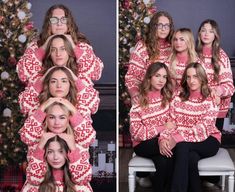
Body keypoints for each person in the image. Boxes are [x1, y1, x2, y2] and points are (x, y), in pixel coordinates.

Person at [159, 63, 221, 192]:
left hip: (209, 140)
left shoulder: (210, 99)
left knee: (182, 146)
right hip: (184, 141)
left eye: (196, 77)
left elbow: (203, 128)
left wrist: (177, 137)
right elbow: (170, 122)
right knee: (191, 158)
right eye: (188, 77)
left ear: (202, 78)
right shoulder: (178, 98)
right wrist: (163, 139)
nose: (192, 81)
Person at [17, 4, 103, 86]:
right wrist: (45, 46)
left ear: (69, 23)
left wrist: (73, 46)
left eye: (63, 19)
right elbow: (22, 75)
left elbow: (96, 73)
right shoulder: (35, 47)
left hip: (75, 97)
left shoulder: (81, 46)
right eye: (54, 20)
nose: (59, 23)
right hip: (44, 97)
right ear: (49, 24)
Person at [19, 101, 94, 191]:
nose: (56, 158)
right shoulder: (37, 142)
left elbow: (83, 178)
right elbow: (33, 179)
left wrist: (73, 148)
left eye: (61, 151)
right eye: (50, 152)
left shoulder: (79, 145)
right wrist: (41, 145)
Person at [18, 35, 100, 116]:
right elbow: (24, 106)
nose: (58, 54)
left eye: (63, 49)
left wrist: (73, 77)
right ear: (49, 54)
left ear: (70, 52)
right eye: (53, 50)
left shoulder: (81, 75)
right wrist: (43, 79)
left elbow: (93, 106)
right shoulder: (38, 76)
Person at [129, 62, 175, 191]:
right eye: (157, 76)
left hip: (162, 140)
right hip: (143, 144)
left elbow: (172, 124)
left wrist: (164, 137)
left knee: (164, 160)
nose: (161, 80)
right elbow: (137, 133)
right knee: (168, 154)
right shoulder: (139, 101)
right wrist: (161, 128)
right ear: (149, 78)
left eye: (164, 77)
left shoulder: (168, 99)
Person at [125, 11, 174, 102]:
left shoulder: (173, 46)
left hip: (170, 96)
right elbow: (132, 76)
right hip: (148, 96)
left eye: (167, 26)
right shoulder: (143, 47)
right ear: (153, 27)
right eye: (160, 25)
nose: (163, 29)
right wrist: (134, 93)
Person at [196, 19, 234, 125]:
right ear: (199, 33)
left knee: (213, 141)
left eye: (211, 31)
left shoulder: (221, 56)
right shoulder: (193, 54)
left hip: (216, 108)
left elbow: (229, 86)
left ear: (215, 35)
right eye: (203, 30)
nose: (206, 34)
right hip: (197, 108)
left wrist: (216, 92)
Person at [23, 135, 93, 191]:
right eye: (50, 152)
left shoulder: (80, 185)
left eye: (61, 151)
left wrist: (73, 150)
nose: (55, 157)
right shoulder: (34, 183)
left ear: (68, 153)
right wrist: (40, 147)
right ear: (44, 154)